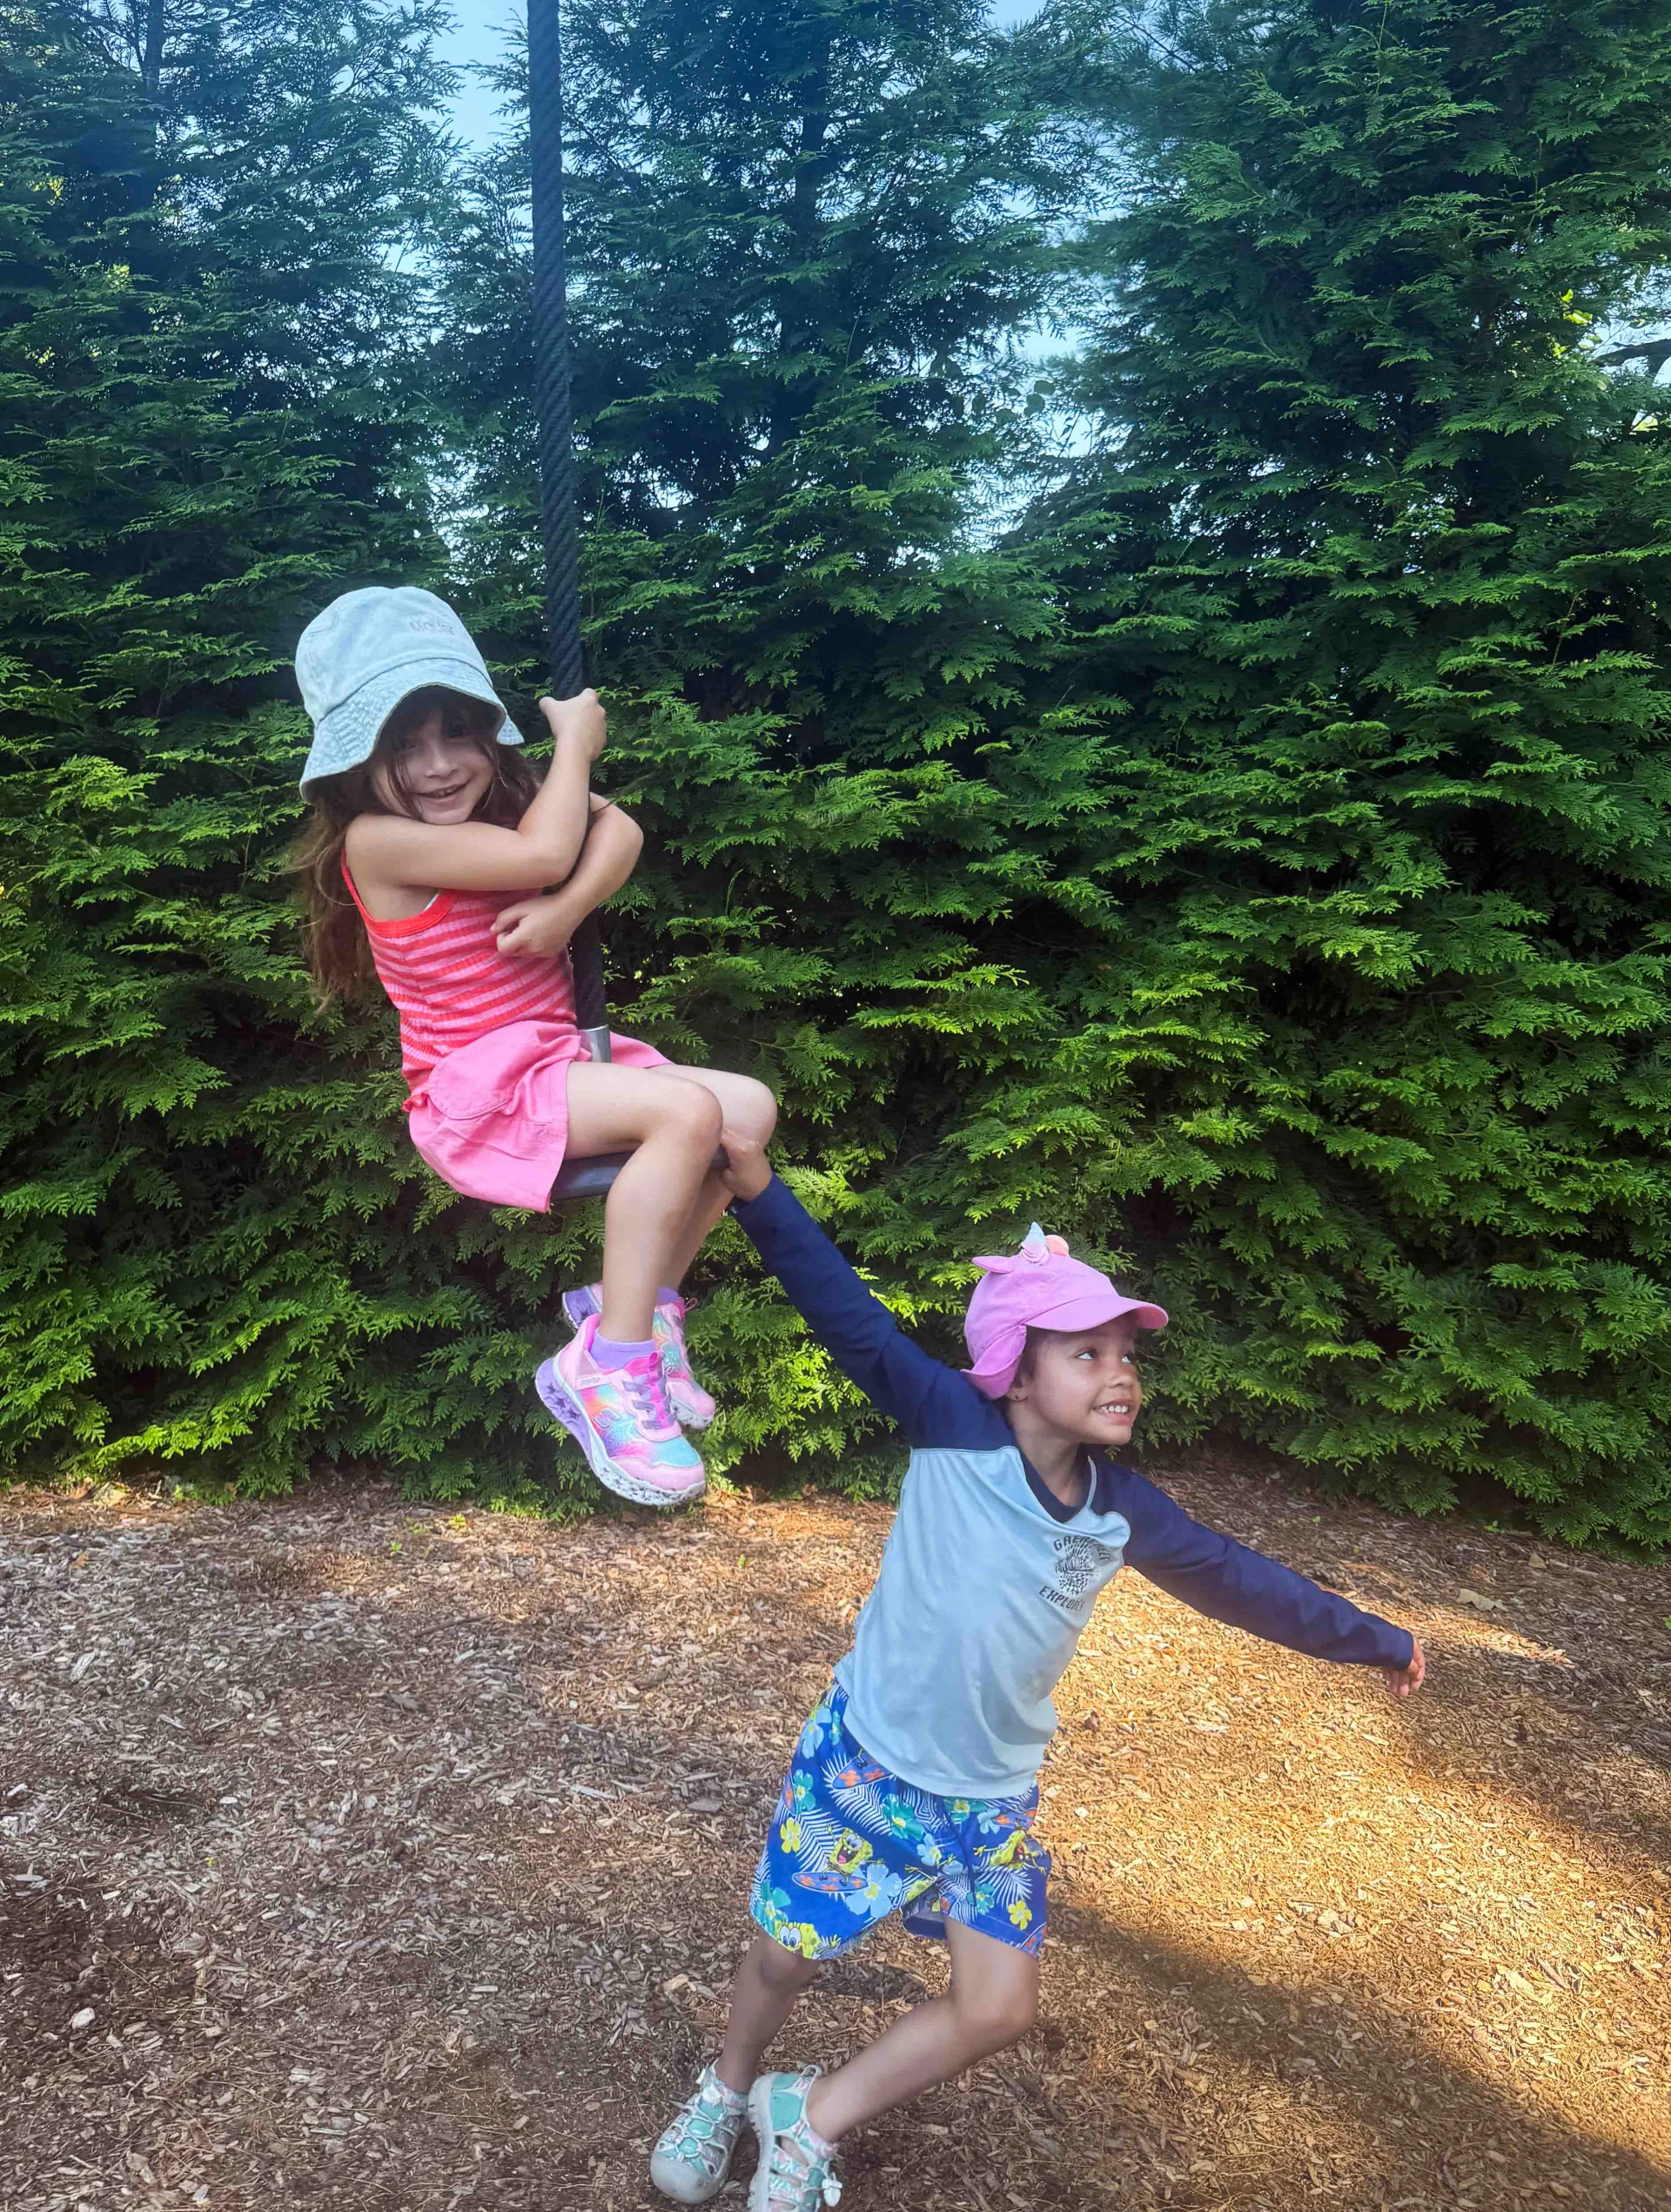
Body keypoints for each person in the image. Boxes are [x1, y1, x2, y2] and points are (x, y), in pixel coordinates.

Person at [650, 1133, 1426, 2210]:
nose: (1121, 1375)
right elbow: (842, 1308)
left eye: (1126, 1354)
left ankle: (810, 2115)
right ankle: (726, 2087)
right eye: (1087, 1354)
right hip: (866, 1767)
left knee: (1000, 2007)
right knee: (784, 1958)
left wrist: (1376, 1637)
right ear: (1017, 1372)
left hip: (990, 1798)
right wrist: (756, 1187)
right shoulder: (949, 1426)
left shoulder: (1122, 1511)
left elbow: (1240, 1582)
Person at [290, 585, 775, 1508]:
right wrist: (577, 744)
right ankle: (611, 1372)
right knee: (687, 1110)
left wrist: (565, 913)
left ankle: (635, 1315)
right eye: (403, 745)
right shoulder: (376, 840)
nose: (437, 766)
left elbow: (614, 828)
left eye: (455, 735)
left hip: (551, 1061)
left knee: (745, 1112)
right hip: (476, 1089)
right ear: (358, 762)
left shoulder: (519, 800)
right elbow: (546, 852)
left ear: (487, 736)